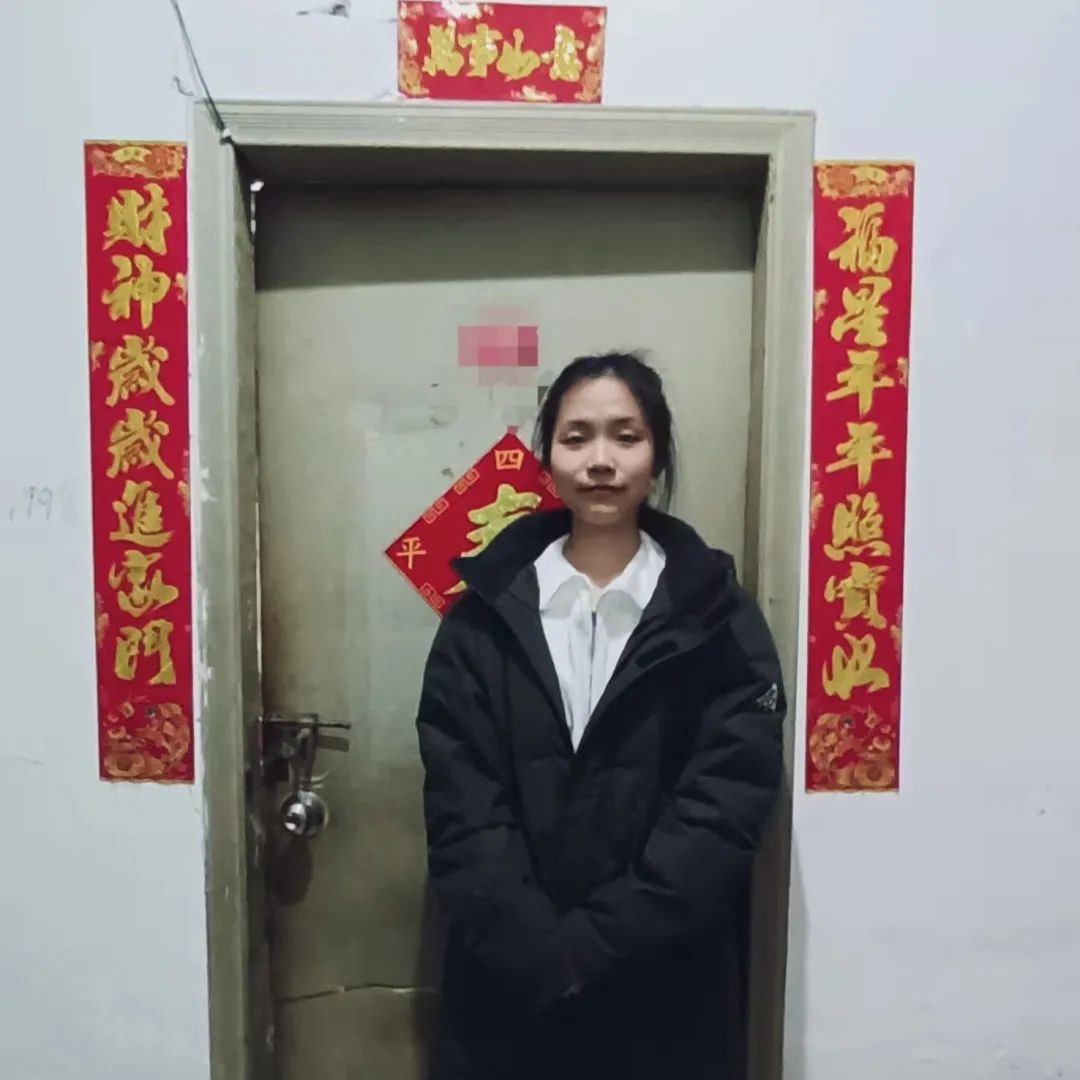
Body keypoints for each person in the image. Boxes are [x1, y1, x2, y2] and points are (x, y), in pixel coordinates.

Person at [416, 352, 786, 1080]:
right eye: (577, 437)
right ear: (548, 457)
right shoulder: (481, 618)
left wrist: (597, 944)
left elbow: (726, 802)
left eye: (626, 435)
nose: (601, 461)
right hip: (509, 981)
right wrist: (537, 948)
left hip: (668, 983)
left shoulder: (717, 614)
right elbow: (461, 800)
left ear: (658, 454)